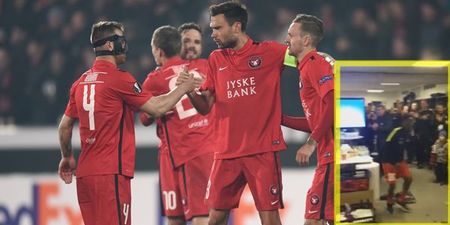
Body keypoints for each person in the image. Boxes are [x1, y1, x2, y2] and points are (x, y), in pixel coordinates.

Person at [57, 21, 198, 225]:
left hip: (86, 174)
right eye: (121, 40)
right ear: (109, 45)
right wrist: (183, 88)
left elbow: (65, 126)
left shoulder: (80, 82)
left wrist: (67, 157)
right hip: (111, 173)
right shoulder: (119, 79)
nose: (126, 46)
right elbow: (157, 107)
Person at [177, 2, 288, 225]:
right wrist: (189, 91)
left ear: (236, 26)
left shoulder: (271, 52)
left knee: (269, 218)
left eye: (218, 28)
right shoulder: (216, 59)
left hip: (262, 150)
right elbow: (205, 106)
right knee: (215, 218)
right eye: (212, 28)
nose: (213, 34)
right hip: (226, 152)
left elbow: (305, 59)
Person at [139, 25, 214, 225]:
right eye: (187, 41)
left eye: (196, 42)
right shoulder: (207, 67)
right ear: (178, 44)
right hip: (179, 152)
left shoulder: (155, 79)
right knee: (192, 215)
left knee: (186, 217)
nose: (191, 46)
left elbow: (145, 118)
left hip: (185, 151)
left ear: (158, 50)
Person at [284, 14, 334, 225]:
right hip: (328, 155)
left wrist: (310, 143)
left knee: (312, 219)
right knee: (325, 219)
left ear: (305, 40)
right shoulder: (305, 68)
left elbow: (333, 104)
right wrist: (280, 119)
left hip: (331, 155)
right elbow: (317, 121)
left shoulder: (315, 63)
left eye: (290, 35)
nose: (287, 40)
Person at [381, 117, 415, 214]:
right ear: (404, 122)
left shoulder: (408, 133)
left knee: (409, 179)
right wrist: (392, 161)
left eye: (412, 123)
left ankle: (401, 199)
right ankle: (390, 202)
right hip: (389, 162)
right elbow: (386, 146)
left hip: (400, 161)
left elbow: (409, 146)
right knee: (392, 184)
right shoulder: (396, 131)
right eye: (409, 123)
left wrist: (412, 137)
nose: (411, 125)